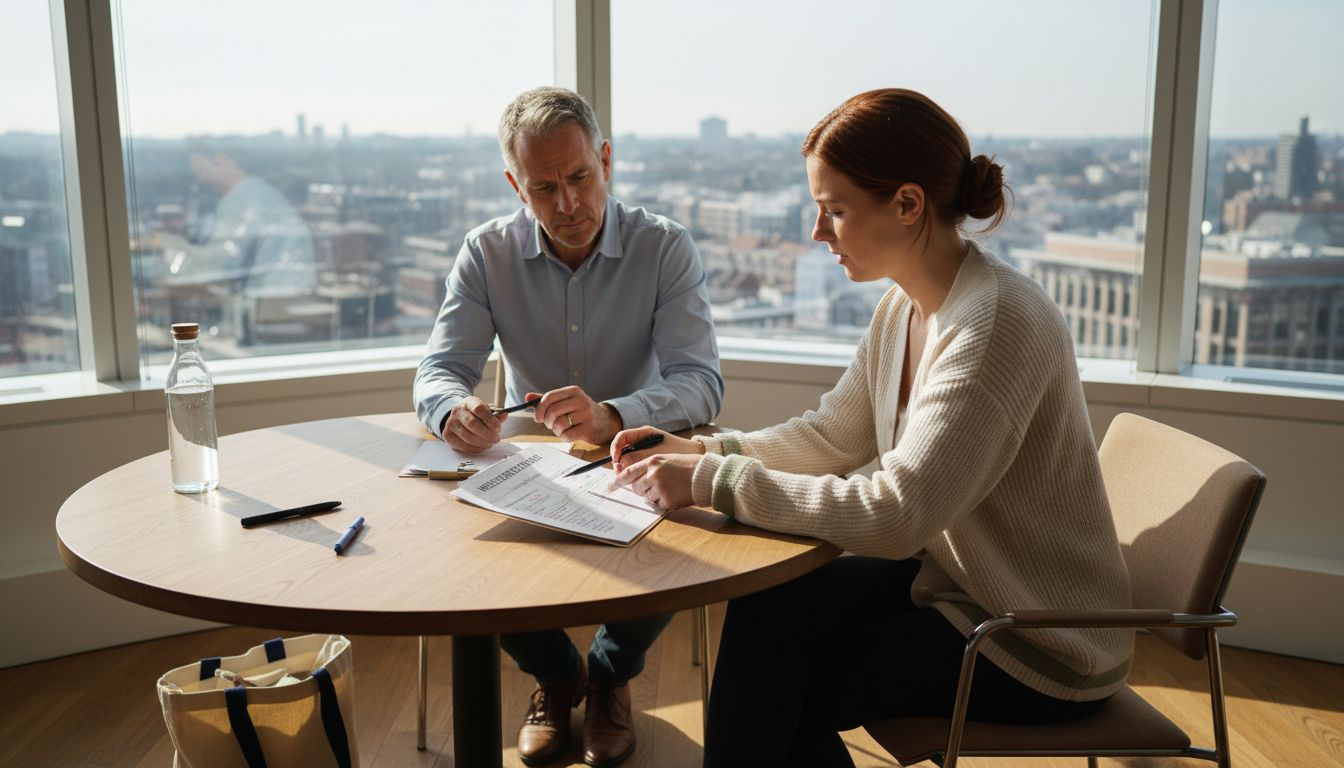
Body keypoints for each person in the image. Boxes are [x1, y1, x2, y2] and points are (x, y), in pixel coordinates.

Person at [606, 88, 1133, 767]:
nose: (818, 233)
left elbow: (898, 516)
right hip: (957, 585)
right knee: (768, 611)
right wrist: (703, 450)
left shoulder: (993, 325)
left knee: (782, 684)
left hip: (1035, 639)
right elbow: (833, 436)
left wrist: (711, 478)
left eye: (835, 211)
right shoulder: (905, 305)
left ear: (908, 204)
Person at [412, 86, 723, 767]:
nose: (568, 205)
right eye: (543, 188)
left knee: (683, 537)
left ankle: (610, 675)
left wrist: (616, 414)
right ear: (514, 185)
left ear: (605, 160)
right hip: (529, 470)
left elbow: (702, 385)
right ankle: (555, 675)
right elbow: (436, 371)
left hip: (635, 460)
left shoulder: (664, 247)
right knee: (463, 546)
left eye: (580, 178)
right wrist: (451, 411)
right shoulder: (485, 253)